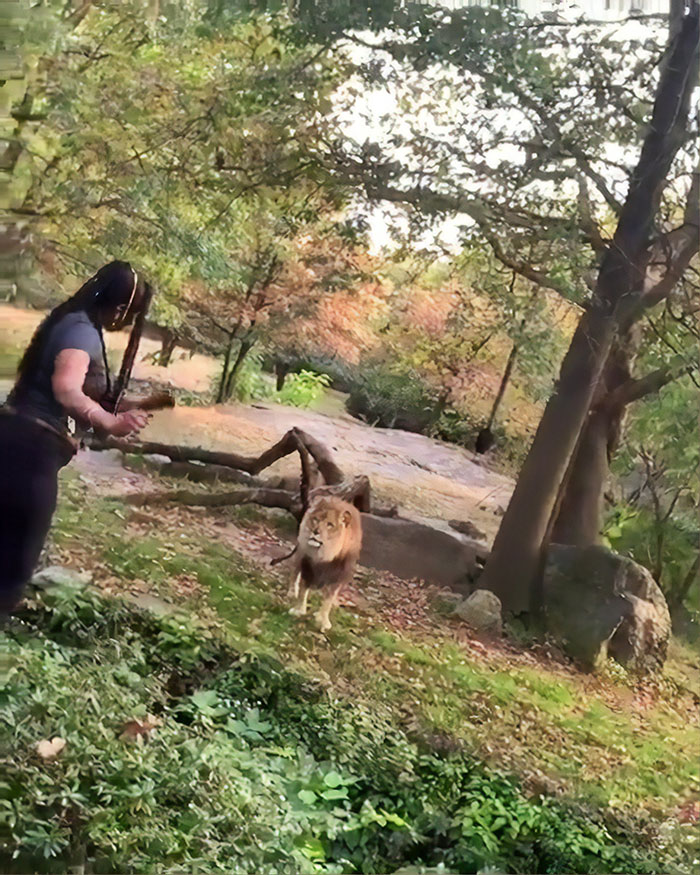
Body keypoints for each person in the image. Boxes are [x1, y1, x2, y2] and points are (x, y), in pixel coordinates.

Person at [0, 261, 152, 615]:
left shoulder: (73, 321)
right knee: (12, 567)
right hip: (28, 455)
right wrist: (110, 424)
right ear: (119, 308)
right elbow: (67, 389)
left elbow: (79, 389)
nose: (127, 322)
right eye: (130, 315)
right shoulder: (81, 331)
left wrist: (123, 409)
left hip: (17, 445)